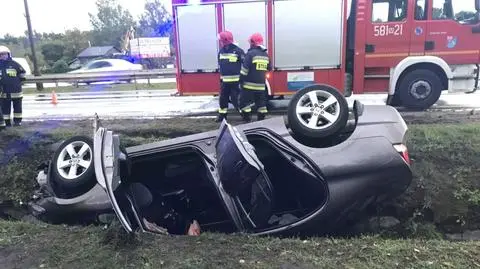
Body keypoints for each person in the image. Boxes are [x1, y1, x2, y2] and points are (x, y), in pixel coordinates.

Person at [238, 33, 271, 122]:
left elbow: (244, 70)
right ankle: (261, 121)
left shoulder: (250, 54)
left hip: (248, 86)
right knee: (261, 105)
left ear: (252, 42)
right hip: (261, 86)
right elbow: (269, 68)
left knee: (245, 103)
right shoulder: (265, 55)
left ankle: (247, 120)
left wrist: (241, 80)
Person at [215, 31, 245, 122]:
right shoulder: (221, 51)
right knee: (223, 99)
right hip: (225, 81)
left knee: (236, 100)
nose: (220, 42)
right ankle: (222, 115)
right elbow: (221, 65)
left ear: (225, 40)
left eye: (221, 40)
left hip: (236, 81)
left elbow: (245, 64)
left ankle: (245, 114)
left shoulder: (239, 51)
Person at [0, 45, 26, 127]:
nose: (2, 56)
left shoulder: (15, 64)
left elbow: (22, 73)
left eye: (4, 54)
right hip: (4, 92)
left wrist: (18, 81)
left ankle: (17, 122)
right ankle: (7, 123)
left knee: (17, 108)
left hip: (16, 91)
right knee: (5, 108)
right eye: (0, 54)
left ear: (8, 54)